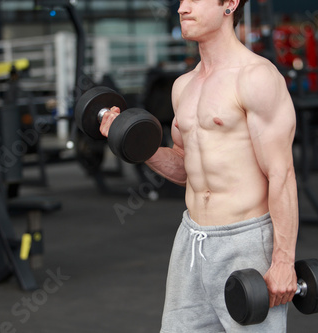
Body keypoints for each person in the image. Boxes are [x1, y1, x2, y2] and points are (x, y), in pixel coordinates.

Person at [99, 0, 299, 331]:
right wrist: (134, 143)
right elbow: (186, 169)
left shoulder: (256, 77)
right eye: (180, 0)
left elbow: (281, 174)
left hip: (245, 243)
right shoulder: (184, 87)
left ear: (230, 4)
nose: (182, 8)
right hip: (191, 241)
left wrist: (283, 261)